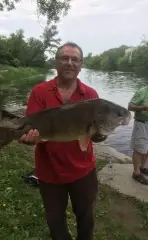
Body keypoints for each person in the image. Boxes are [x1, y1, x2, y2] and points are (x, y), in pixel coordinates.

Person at [20, 42, 100, 240]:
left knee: (86, 218)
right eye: (64, 58)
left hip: (84, 172)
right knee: (55, 221)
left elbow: (95, 137)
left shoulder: (91, 95)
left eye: (75, 59)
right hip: (49, 172)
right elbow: (31, 126)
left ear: (81, 65)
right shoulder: (39, 91)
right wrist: (30, 139)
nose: (70, 63)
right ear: (56, 62)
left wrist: (102, 133)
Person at [128, 86, 148, 185]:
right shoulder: (142, 91)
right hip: (142, 124)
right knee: (139, 149)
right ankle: (136, 173)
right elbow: (130, 106)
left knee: (147, 149)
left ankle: (143, 168)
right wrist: (143, 107)